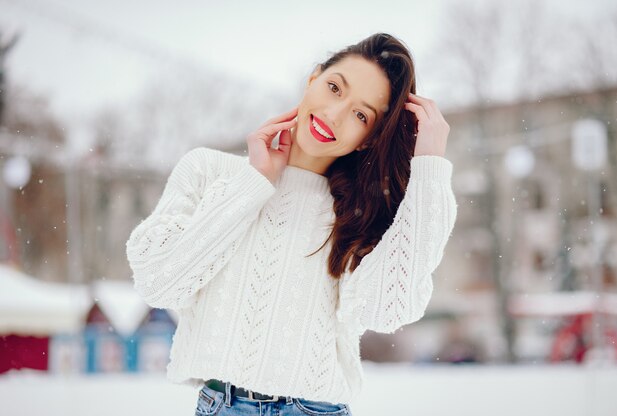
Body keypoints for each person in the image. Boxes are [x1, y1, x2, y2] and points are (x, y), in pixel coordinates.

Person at [126, 32, 458, 415]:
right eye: (334, 87)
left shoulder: (358, 212)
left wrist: (430, 167)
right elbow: (159, 283)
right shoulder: (209, 170)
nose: (335, 114)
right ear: (312, 78)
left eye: (361, 114)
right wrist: (253, 184)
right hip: (221, 404)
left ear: (368, 139)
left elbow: (384, 311)